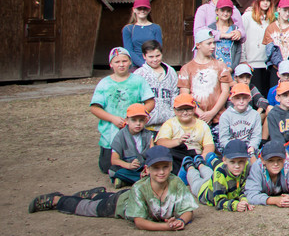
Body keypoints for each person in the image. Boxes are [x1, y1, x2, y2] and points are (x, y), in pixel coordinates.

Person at [29, 146, 197, 230]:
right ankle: (57, 200)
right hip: (119, 205)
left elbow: (188, 210)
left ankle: (95, 194)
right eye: (156, 168)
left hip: (127, 196)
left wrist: (181, 221)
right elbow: (139, 221)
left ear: (171, 167)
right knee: (87, 208)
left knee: (102, 197)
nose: (161, 172)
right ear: (147, 169)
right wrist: (166, 227)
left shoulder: (176, 182)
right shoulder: (140, 187)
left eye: (165, 167)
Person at [90, 46, 155, 174]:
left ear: (130, 62)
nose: (121, 65)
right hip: (111, 132)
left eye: (124, 61)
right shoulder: (104, 83)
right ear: (111, 64)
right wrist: (113, 119)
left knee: (138, 162)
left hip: (134, 129)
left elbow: (150, 102)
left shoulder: (138, 81)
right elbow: (94, 108)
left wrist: (135, 116)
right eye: (117, 62)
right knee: (107, 167)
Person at [183, 138, 253, 210]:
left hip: (212, 181)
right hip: (203, 191)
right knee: (195, 180)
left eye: (241, 161)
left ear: (246, 160)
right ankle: (189, 166)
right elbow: (219, 202)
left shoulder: (246, 166)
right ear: (224, 160)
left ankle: (200, 164)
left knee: (208, 172)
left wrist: (244, 200)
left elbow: (243, 190)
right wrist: (235, 205)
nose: (237, 166)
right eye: (232, 162)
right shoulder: (220, 172)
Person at [155, 93, 215, 173]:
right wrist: (178, 141)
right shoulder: (170, 123)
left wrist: (203, 156)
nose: (185, 113)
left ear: (194, 109)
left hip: (196, 156)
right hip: (177, 157)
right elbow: (161, 142)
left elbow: (209, 145)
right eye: (180, 110)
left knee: (212, 158)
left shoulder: (202, 125)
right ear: (175, 110)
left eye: (188, 109)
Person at [245, 142, 289, 207]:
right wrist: (273, 200)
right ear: (263, 160)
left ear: (284, 159)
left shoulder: (288, 164)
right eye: (271, 160)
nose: (276, 164)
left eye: (279, 160)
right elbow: (251, 195)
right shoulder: (257, 167)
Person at [108, 104, 154, 187]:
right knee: (113, 170)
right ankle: (145, 180)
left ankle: (128, 181)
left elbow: (153, 155)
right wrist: (129, 166)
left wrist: (148, 167)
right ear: (127, 120)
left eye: (141, 120)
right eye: (134, 120)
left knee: (158, 169)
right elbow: (114, 160)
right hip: (128, 168)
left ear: (145, 121)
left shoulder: (149, 135)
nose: (138, 123)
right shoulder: (120, 136)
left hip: (144, 167)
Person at [218, 83, 263, 153]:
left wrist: (252, 147)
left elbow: (256, 136)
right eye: (237, 98)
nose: (241, 101)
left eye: (244, 98)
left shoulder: (255, 115)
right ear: (231, 99)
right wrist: (233, 149)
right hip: (232, 150)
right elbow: (224, 139)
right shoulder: (225, 116)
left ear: (249, 98)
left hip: (249, 150)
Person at [122, 0, 162, 68]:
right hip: (135, 66)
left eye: (145, 8)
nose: (142, 11)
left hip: (153, 65)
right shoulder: (128, 29)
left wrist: (152, 64)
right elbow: (129, 50)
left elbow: (158, 49)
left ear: (149, 10)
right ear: (134, 9)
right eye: (139, 8)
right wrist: (143, 65)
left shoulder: (156, 28)